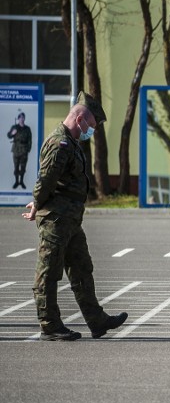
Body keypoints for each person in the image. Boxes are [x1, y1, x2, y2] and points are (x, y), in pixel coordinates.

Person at [21, 92, 128, 341]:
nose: (89, 131)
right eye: (90, 126)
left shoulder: (71, 142)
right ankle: (50, 324)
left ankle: (97, 320)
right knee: (48, 271)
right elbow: (45, 179)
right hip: (56, 220)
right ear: (79, 118)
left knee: (81, 268)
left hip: (69, 220)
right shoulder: (60, 143)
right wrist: (37, 203)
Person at [8, 111, 32, 189]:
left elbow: (30, 140)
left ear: (24, 119)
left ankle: (21, 181)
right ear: (18, 119)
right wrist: (12, 133)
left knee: (23, 167)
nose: (21, 119)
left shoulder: (27, 128)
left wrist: (28, 149)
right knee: (16, 166)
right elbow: (8, 135)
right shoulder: (14, 127)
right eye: (20, 117)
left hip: (24, 150)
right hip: (16, 149)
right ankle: (16, 182)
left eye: (23, 117)